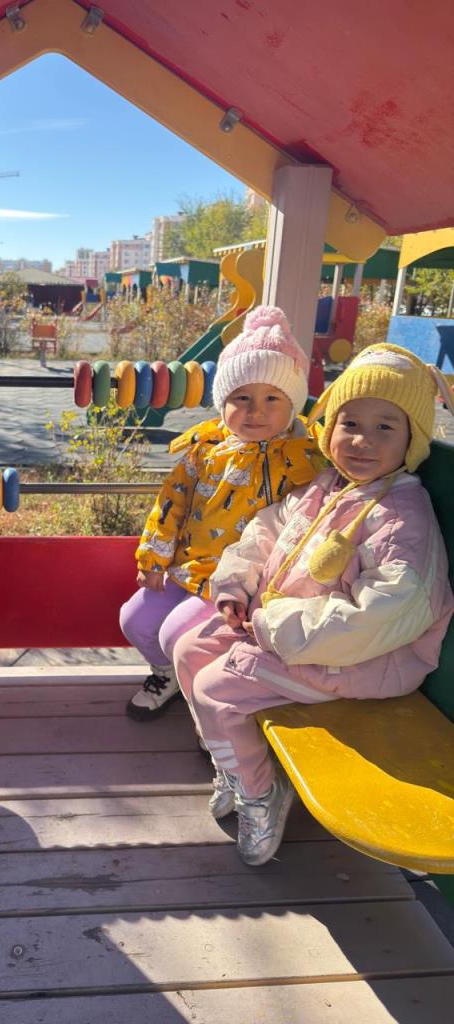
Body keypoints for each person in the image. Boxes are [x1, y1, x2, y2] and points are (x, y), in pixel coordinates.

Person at [173, 343, 454, 867]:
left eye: (385, 427)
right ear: (330, 430)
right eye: (350, 423)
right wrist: (236, 585)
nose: (362, 440)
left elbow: (384, 614)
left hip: (362, 660)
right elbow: (264, 531)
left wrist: (271, 624)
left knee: (216, 691)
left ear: (412, 439)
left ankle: (261, 791)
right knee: (189, 650)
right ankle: (234, 763)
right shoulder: (328, 486)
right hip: (290, 631)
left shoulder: (400, 516)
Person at [121, 306, 323, 720]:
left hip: (244, 586)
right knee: (135, 619)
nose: (256, 411)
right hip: (189, 568)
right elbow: (172, 502)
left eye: (272, 398)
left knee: (176, 634)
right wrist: (153, 557)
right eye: (242, 398)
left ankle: (207, 701)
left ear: (292, 404)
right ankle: (169, 675)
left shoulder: (304, 459)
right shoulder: (206, 450)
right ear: (223, 401)